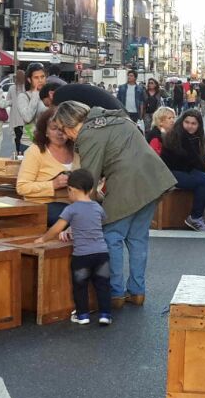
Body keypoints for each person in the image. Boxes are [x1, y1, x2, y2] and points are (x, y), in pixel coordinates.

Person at [51, 100, 175, 311]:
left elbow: (87, 180)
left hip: (126, 185)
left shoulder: (89, 134)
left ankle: (115, 294)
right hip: (153, 181)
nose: (66, 136)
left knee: (112, 236)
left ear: (69, 125)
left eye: (64, 130)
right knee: (137, 238)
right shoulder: (115, 119)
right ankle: (137, 292)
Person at [34, 169, 113, 325]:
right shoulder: (97, 207)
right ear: (91, 190)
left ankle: (82, 315)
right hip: (102, 254)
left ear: (70, 190)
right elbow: (100, 220)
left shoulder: (70, 209)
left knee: (80, 286)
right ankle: (105, 315)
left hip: (82, 256)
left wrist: (43, 239)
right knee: (103, 285)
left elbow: (56, 229)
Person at [17, 109, 78, 225]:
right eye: (54, 129)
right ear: (45, 131)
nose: (60, 133)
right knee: (77, 217)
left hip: (74, 203)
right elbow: (22, 187)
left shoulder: (76, 151)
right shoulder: (35, 152)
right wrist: (53, 184)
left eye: (63, 129)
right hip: (44, 205)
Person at [161, 109, 205, 232]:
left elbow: (200, 158)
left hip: (185, 170)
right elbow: (192, 159)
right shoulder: (178, 136)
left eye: (193, 123)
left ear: (199, 125)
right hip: (171, 172)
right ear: (182, 122)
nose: (190, 126)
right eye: (187, 122)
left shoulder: (196, 137)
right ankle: (195, 217)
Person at [9, 66, 46, 155]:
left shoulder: (49, 94)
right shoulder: (24, 96)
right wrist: (35, 94)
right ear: (29, 80)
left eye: (42, 76)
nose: (40, 80)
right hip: (30, 142)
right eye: (36, 78)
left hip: (48, 142)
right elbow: (27, 117)